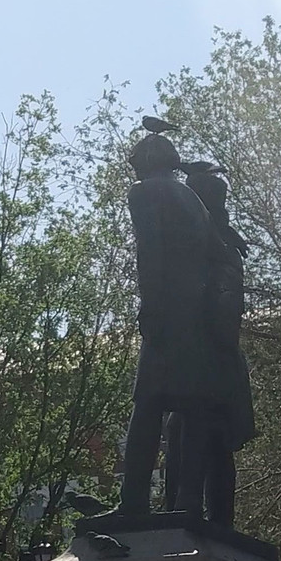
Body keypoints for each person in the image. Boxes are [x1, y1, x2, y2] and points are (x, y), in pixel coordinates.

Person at [117, 135, 231, 516]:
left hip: (167, 311)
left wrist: (150, 308)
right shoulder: (193, 200)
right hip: (198, 316)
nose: (132, 165)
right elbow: (221, 254)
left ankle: (133, 503)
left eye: (135, 159)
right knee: (192, 404)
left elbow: (149, 251)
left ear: (149, 158)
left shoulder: (145, 191)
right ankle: (187, 503)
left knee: (147, 402)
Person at [164, 170, 255, 526]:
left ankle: (203, 518)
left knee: (204, 434)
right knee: (185, 431)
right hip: (203, 359)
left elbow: (225, 310)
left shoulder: (218, 246)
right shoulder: (205, 241)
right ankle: (187, 515)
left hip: (211, 361)